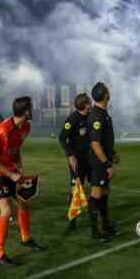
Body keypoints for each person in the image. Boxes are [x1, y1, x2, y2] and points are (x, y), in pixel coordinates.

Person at [0, 96, 45, 267]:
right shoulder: (2, 130)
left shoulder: (26, 126)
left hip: (10, 170)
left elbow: (15, 150)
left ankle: (26, 239)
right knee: (6, 210)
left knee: (24, 202)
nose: (34, 110)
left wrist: (20, 169)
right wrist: (11, 175)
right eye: (32, 107)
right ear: (26, 111)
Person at [87, 82, 119, 242]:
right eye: (108, 90)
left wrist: (112, 153)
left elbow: (104, 140)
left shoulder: (102, 113)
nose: (109, 92)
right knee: (96, 194)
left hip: (104, 159)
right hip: (99, 162)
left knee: (104, 193)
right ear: (105, 95)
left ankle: (105, 225)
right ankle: (95, 232)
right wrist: (107, 164)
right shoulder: (96, 115)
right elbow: (95, 143)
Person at [58, 93, 91, 232]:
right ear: (85, 104)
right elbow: (61, 137)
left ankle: (97, 218)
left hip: (91, 158)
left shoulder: (92, 116)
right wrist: (70, 155)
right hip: (77, 160)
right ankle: (72, 220)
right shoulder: (73, 118)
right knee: (76, 189)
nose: (91, 104)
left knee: (98, 186)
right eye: (89, 101)